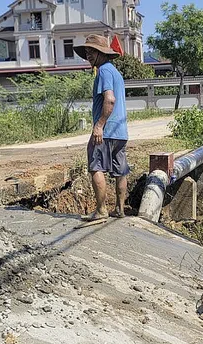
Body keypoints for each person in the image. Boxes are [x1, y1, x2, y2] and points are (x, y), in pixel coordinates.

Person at [74, 34, 130, 220]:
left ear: (102, 53)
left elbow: (110, 99)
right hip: (120, 132)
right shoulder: (115, 72)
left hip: (105, 131)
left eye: (92, 52)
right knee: (120, 170)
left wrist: (99, 125)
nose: (89, 55)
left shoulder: (104, 71)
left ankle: (101, 210)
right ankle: (120, 209)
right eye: (87, 52)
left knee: (95, 166)